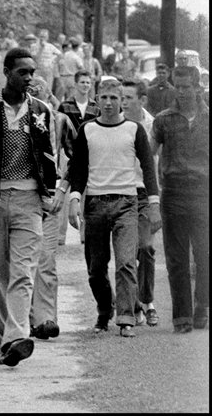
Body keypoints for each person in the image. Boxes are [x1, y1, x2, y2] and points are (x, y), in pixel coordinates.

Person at [0, 48, 57, 367]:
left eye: (32, 72)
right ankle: (6, 345)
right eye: (22, 72)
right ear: (6, 72)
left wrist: (48, 197)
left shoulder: (43, 112)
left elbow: (50, 157)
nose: (29, 77)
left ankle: (16, 335)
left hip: (30, 200)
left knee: (24, 270)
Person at [67, 78, 161, 338]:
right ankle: (103, 310)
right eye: (104, 98)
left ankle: (126, 317)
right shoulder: (87, 130)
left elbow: (149, 169)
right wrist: (74, 198)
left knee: (126, 262)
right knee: (96, 267)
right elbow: (78, 168)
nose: (108, 103)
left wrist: (153, 203)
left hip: (127, 202)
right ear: (96, 99)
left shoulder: (134, 129)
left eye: (114, 98)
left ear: (122, 100)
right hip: (96, 203)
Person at [150, 66, 209, 333]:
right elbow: (149, 154)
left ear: (198, 87)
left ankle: (202, 306)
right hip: (172, 194)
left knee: (205, 255)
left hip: (203, 194)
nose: (183, 91)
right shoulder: (163, 120)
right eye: (179, 86)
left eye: (187, 86)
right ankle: (181, 317)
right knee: (176, 259)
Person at [26, 75, 76, 340]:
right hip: (20, 195)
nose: (34, 96)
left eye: (39, 92)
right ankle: (24, 318)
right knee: (21, 262)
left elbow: (78, 158)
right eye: (29, 91)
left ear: (48, 95)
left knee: (46, 259)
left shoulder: (61, 121)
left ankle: (46, 318)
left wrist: (64, 188)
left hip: (49, 196)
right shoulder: (12, 118)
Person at [121, 80, 160, 327]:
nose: (122, 102)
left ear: (142, 100)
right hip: (122, 193)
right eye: (121, 97)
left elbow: (160, 163)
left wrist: (159, 201)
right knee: (127, 252)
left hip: (147, 194)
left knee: (145, 247)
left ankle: (147, 302)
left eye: (128, 98)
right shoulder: (116, 122)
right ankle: (132, 304)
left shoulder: (154, 125)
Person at [57, 70, 100, 245]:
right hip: (68, 154)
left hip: (90, 155)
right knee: (66, 194)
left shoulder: (95, 107)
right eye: (82, 82)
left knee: (87, 193)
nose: (85, 85)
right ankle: (61, 236)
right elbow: (60, 132)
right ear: (75, 84)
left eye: (88, 82)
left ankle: (85, 233)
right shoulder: (65, 106)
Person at [34, 29, 62, 94]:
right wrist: (41, 48)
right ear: (39, 37)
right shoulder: (34, 46)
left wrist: (53, 61)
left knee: (48, 89)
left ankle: (48, 102)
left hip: (48, 71)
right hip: (38, 71)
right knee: (38, 89)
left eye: (44, 37)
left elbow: (60, 54)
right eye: (41, 36)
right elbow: (34, 58)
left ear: (47, 38)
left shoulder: (50, 46)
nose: (42, 38)